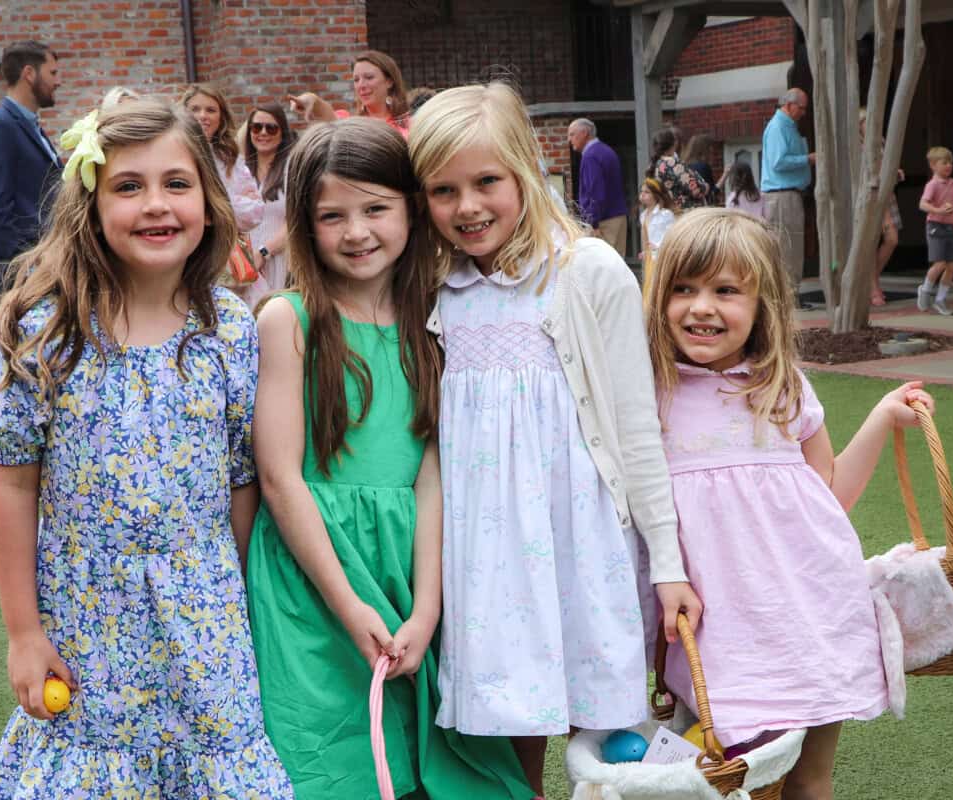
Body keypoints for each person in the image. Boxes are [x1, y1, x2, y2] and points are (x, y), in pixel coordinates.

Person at [0, 98, 293, 798]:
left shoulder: (229, 332)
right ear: (90, 202)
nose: (156, 205)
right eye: (128, 186)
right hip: (88, 619)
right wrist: (24, 634)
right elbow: (13, 487)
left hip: (206, 620)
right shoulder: (45, 333)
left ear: (207, 197)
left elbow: (241, 483)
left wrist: (223, 596)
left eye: (177, 183)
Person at [409, 83, 700, 794]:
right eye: (443, 191)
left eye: (486, 182)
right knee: (512, 726)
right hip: (484, 545)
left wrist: (667, 561)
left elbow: (636, 425)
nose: (468, 206)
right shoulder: (430, 285)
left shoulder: (585, 271)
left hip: (580, 531)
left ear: (524, 173)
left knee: (599, 726)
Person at [246, 117, 533, 800]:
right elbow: (281, 480)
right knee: (333, 764)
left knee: (430, 763)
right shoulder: (289, 319)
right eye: (331, 216)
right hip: (315, 579)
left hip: (409, 565)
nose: (356, 231)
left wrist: (427, 608)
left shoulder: (432, 322)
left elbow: (431, 474)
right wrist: (348, 605)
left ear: (410, 209)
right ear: (304, 226)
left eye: (376, 208)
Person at [645, 207, 933, 800]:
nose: (701, 306)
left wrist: (880, 419)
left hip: (811, 619)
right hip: (719, 631)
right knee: (724, 780)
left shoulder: (784, 388)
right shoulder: (652, 394)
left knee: (808, 780)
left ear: (762, 306)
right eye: (684, 288)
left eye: (725, 290)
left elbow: (829, 497)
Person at [0, 40, 64, 324]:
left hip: (50, 262)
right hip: (30, 270)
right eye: (53, 73)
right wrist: (28, 266)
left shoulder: (30, 126)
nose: (57, 82)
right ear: (29, 73)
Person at [179, 83, 264, 235]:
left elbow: (254, 213)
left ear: (221, 118)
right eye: (195, 109)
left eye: (210, 110)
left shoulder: (228, 156)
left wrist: (212, 207)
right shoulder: (172, 153)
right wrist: (229, 204)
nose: (203, 115)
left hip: (222, 247)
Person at [761, 88, 815, 304]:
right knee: (787, 249)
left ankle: (789, 297)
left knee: (792, 249)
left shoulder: (787, 126)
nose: (803, 113)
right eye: (801, 108)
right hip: (782, 196)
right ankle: (786, 300)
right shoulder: (777, 127)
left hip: (788, 196)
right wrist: (807, 159)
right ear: (789, 105)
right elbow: (778, 162)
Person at [239, 102, 295, 307]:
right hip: (244, 265)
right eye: (256, 127)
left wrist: (263, 252)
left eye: (271, 128)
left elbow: (295, 221)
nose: (263, 133)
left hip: (279, 261)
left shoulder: (292, 168)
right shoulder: (239, 169)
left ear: (282, 132)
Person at [288, 50, 411, 136]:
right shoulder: (349, 123)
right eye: (356, 80)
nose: (361, 85)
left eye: (369, 77)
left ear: (389, 81)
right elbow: (330, 117)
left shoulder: (409, 124)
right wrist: (313, 100)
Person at [858, 107, 905, 307]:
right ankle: (873, 286)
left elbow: (885, 166)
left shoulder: (881, 142)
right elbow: (868, 175)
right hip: (870, 198)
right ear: (859, 126)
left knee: (892, 240)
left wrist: (896, 171)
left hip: (887, 195)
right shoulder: (858, 147)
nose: (872, 126)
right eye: (867, 122)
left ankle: (870, 281)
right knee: (871, 243)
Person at [568, 117, 631, 256]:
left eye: (572, 134)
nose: (569, 139)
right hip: (617, 217)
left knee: (602, 265)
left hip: (604, 222)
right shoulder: (607, 151)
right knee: (617, 262)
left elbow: (595, 192)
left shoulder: (591, 156)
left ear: (584, 133)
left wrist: (593, 223)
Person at [917, 146, 953, 316]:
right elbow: (923, 204)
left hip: (951, 228)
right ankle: (926, 290)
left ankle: (940, 299)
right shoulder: (932, 185)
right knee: (940, 263)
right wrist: (938, 210)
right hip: (936, 226)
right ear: (933, 165)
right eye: (944, 163)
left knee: (952, 266)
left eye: (950, 162)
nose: (949, 165)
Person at [648, 127, 709, 210]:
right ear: (673, 144)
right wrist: (705, 186)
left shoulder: (657, 165)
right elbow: (696, 191)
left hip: (671, 211)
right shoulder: (674, 164)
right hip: (688, 214)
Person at [638, 176, 677, 296]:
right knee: (650, 284)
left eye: (647, 192)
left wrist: (659, 245)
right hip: (650, 258)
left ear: (656, 195)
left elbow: (672, 235)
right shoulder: (643, 215)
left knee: (660, 284)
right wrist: (645, 251)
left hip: (662, 256)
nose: (642, 195)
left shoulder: (665, 214)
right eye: (642, 192)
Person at [682, 133, 718, 204]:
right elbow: (711, 193)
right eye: (710, 147)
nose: (712, 150)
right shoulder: (703, 167)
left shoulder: (684, 166)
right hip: (702, 209)